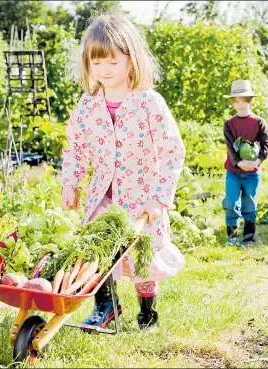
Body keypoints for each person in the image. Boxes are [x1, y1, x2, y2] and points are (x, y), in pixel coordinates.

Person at [61, 12, 185, 330]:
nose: (104, 70)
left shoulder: (149, 104)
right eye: (97, 62)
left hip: (141, 197)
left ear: (132, 60)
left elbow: (172, 151)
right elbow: (75, 149)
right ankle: (106, 308)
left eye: (112, 62)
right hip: (103, 196)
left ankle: (147, 313)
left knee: (142, 260)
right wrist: (70, 183)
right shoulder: (87, 106)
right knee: (97, 249)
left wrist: (159, 198)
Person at [222, 80, 268, 247]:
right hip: (233, 172)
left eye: (243, 99)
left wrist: (257, 161)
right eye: (236, 100)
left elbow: (267, 144)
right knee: (230, 202)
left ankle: (248, 238)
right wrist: (239, 163)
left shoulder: (259, 122)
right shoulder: (229, 124)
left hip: (252, 172)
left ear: (250, 100)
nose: (239, 103)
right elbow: (230, 147)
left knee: (249, 203)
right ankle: (232, 237)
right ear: (232, 102)